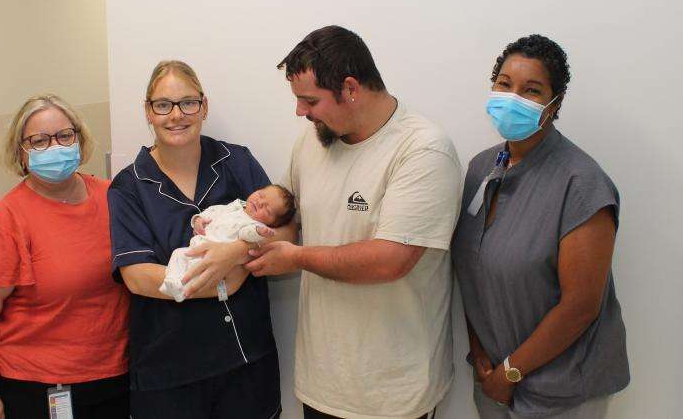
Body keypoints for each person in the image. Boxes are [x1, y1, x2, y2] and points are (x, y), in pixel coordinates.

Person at [246, 25, 463, 419]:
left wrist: (294, 258)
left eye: (309, 100)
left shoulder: (422, 150)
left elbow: (390, 260)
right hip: (321, 384)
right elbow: (288, 216)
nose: (300, 112)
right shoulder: (313, 141)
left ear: (350, 88)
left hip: (392, 394)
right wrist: (243, 233)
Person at [451, 34, 630, 418]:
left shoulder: (581, 184)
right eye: (504, 84)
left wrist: (512, 372)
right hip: (492, 377)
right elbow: (469, 268)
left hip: (561, 390)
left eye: (531, 90)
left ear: (555, 104)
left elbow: (581, 306)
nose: (513, 97)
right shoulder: (482, 168)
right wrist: (480, 352)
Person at [108, 60, 293, 419]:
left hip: (246, 361)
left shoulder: (236, 161)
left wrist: (236, 252)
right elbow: (138, 277)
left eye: (188, 102)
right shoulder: (129, 187)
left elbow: (287, 230)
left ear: (204, 106)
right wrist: (229, 282)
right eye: (163, 105)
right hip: (169, 368)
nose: (176, 115)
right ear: (148, 111)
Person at [0, 94, 130, 419]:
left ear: (80, 138)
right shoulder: (5, 218)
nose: (55, 147)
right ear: (22, 152)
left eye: (64, 136)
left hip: (117, 375)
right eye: (40, 141)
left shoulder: (113, 197)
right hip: (41, 387)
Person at [161, 184, 296, 302]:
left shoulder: (253, 224)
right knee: (177, 254)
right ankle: (172, 281)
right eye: (261, 195)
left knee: (198, 271)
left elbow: (247, 234)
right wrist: (198, 219)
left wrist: (259, 232)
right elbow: (214, 210)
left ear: (272, 223)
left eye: (267, 209)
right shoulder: (235, 205)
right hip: (199, 244)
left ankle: (181, 289)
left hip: (214, 256)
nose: (260, 202)